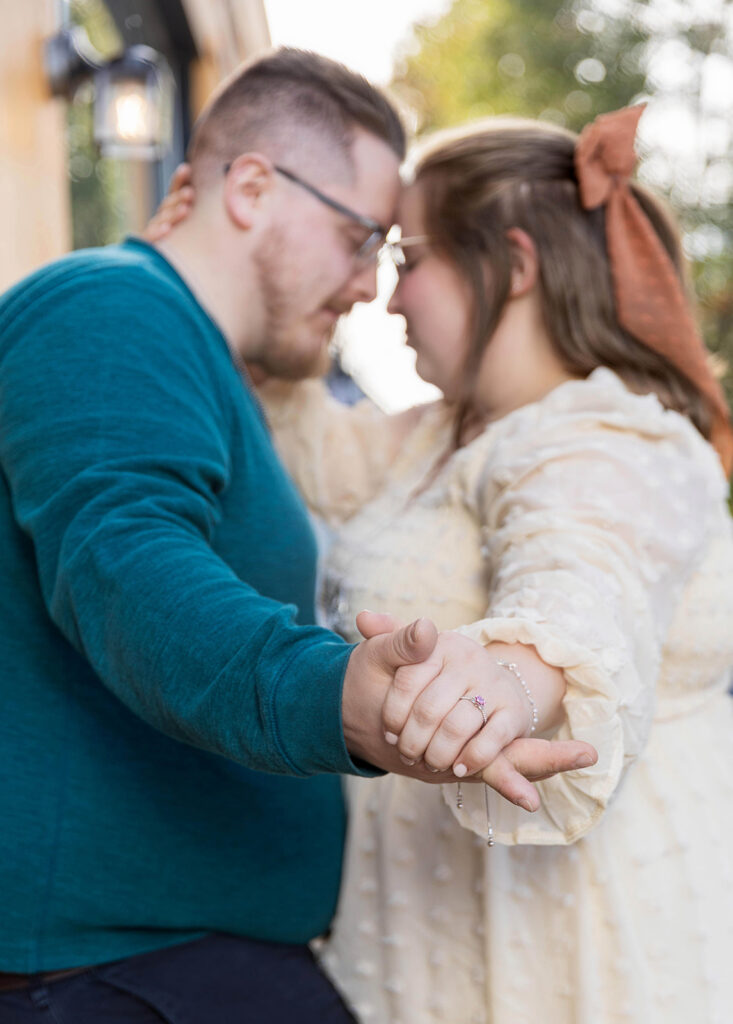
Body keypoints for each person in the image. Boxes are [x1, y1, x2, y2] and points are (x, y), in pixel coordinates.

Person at [0, 49, 593, 1023]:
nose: (367, 286)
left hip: (166, 963)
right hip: (106, 971)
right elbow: (128, 566)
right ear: (250, 188)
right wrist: (341, 692)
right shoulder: (106, 309)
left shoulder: (190, 348)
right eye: (360, 239)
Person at [151, 103, 733, 1022]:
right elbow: (302, 434)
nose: (386, 299)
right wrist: (206, 271)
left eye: (408, 260)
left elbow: (584, 579)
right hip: (436, 937)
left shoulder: (606, 436)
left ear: (514, 265)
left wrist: (506, 682)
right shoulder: (436, 437)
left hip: (570, 951)